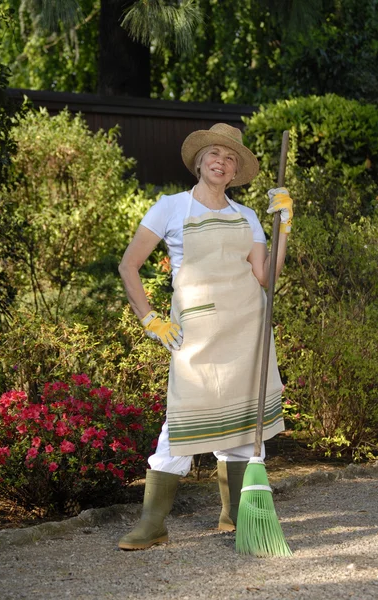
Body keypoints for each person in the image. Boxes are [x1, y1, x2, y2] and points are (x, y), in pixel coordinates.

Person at [117, 123, 293, 551]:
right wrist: (151, 320)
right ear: (200, 162)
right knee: (179, 423)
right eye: (214, 153)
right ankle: (152, 523)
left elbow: (266, 276)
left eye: (230, 157)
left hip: (246, 330)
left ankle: (234, 518)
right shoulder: (170, 208)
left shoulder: (247, 215)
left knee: (240, 427)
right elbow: (128, 266)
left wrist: (284, 227)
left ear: (235, 172)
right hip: (195, 334)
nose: (221, 161)